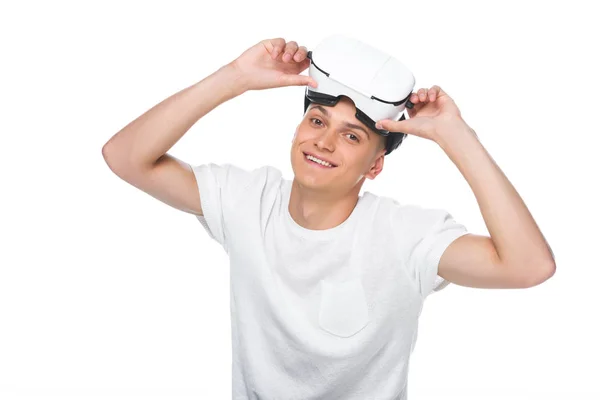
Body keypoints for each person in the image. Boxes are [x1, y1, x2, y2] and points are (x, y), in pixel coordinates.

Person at [102, 37, 556, 400]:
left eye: (352, 136)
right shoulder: (247, 200)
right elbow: (124, 157)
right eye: (317, 122)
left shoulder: (404, 237)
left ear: (374, 167)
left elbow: (528, 265)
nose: (324, 142)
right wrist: (235, 77)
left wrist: (456, 135)